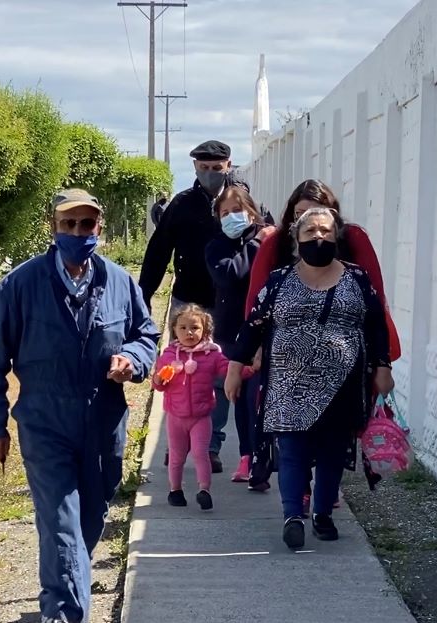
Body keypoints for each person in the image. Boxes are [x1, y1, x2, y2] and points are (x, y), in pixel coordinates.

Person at [0, 188, 160, 623]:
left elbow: (146, 335)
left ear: (100, 228)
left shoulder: (119, 282)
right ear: (53, 228)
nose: (78, 232)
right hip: (44, 422)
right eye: (69, 224)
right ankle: (63, 613)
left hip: (103, 423)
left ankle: (67, 583)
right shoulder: (20, 285)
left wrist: (131, 360)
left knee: (88, 520)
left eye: (87, 224)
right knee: (59, 523)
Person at [224, 207, 394, 550]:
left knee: (333, 450)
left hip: (343, 382)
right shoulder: (279, 280)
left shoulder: (358, 279)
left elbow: (376, 326)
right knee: (292, 450)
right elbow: (253, 326)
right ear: (296, 239)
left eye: (326, 232)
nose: (319, 237)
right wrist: (234, 370)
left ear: (336, 237)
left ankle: (322, 514)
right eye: (311, 232)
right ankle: (292, 516)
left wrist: (383, 367)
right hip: (288, 385)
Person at [243, 179, 401, 498]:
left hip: (343, 366)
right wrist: (251, 351)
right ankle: (296, 497)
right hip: (287, 365)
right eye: (302, 216)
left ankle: (324, 502)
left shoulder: (352, 253)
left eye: (321, 220)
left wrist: (380, 361)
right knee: (290, 439)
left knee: (333, 438)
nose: (314, 229)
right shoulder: (277, 252)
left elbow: (375, 305)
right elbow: (256, 305)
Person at [139, 139, 240, 474]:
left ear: (228, 165)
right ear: (195, 167)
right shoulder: (181, 204)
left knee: (218, 377)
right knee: (180, 375)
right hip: (188, 304)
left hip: (227, 304)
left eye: (217, 168)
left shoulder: (239, 201)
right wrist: (144, 295)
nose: (210, 173)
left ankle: (210, 444)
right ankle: (179, 442)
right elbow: (158, 252)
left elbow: (261, 244)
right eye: (204, 168)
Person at [204, 185, 274, 483]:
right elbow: (230, 275)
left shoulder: (270, 243)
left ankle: (262, 457)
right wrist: (256, 243)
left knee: (258, 399)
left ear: (251, 212)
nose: (232, 217)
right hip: (231, 336)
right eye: (225, 212)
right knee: (237, 397)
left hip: (265, 333)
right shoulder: (216, 247)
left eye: (237, 210)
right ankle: (245, 457)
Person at [152, 304, 252, 511]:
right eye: (183, 328)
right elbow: (158, 385)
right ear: (174, 330)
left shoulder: (212, 355)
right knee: (177, 456)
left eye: (195, 328)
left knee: (201, 453)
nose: (189, 332)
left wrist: (249, 370)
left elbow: (229, 371)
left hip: (201, 415)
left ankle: (204, 490)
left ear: (205, 331)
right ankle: (175, 490)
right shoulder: (169, 356)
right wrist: (160, 378)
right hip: (175, 416)